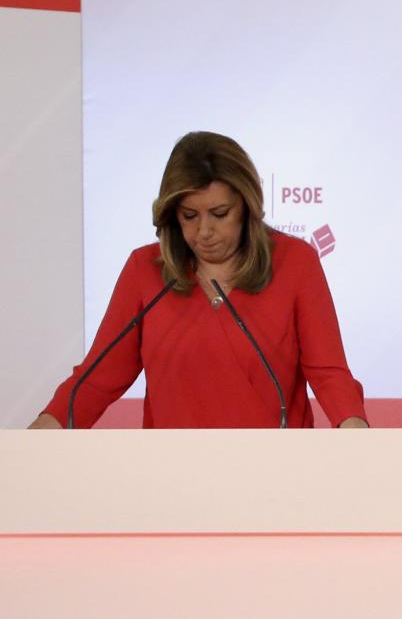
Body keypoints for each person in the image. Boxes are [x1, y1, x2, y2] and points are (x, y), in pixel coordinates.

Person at [30, 131, 367, 429]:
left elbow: (328, 372)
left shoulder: (295, 263)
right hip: (171, 483)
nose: (204, 231)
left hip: (277, 480)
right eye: (189, 216)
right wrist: (37, 439)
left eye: (220, 214)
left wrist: (355, 430)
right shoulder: (145, 270)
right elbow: (96, 380)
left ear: (247, 207)